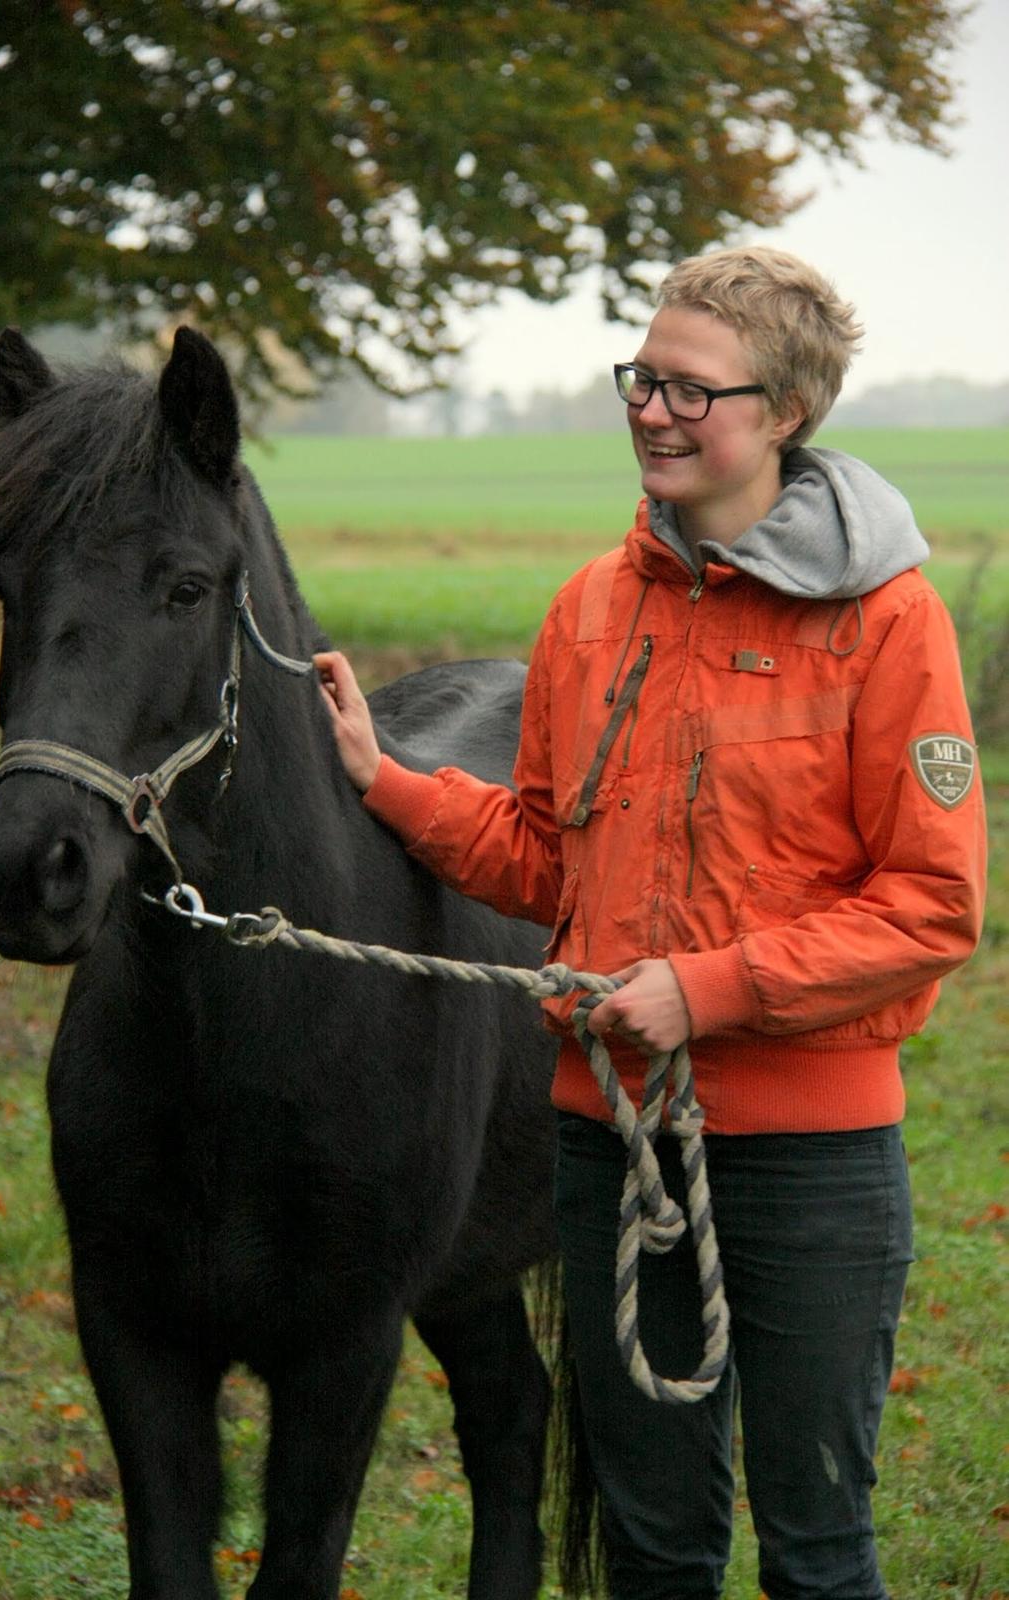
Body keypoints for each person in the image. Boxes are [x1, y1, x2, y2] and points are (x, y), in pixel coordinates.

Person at [313, 245, 986, 1600]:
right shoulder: (592, 611)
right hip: (614, 1144)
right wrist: (386, 781)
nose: (654, 410)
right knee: (651, 1544)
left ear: (787, 410)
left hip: (812, 1161)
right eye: (642, 379)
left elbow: (933, 904)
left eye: (692, 389)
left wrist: (709, 989)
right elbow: (545, 856)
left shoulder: (886, 618)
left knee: (818, 1548)